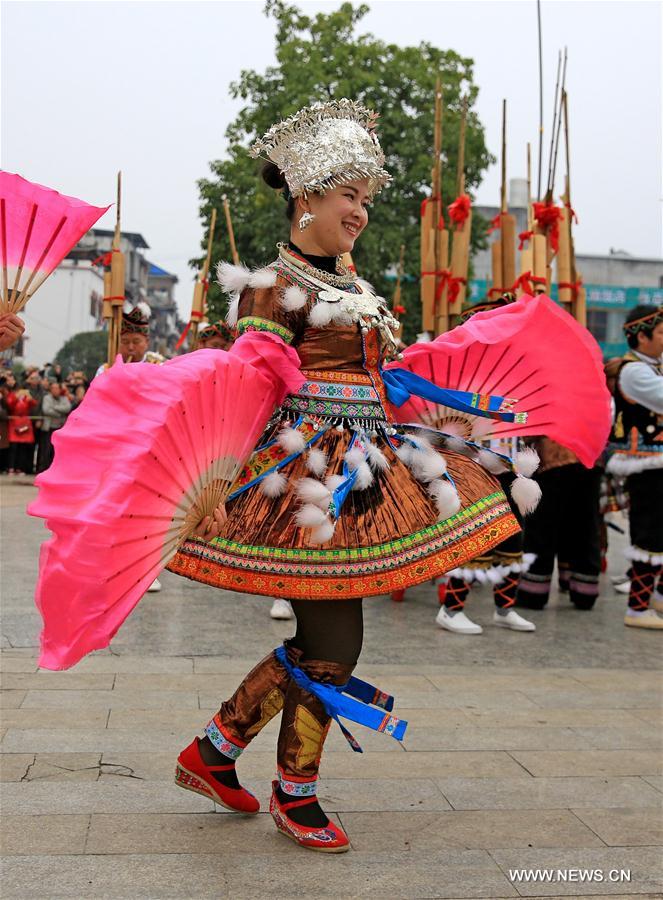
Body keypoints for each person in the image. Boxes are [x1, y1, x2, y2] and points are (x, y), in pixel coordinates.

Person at [167, 100, 537, 853]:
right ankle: (291, 791)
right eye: (350, 196)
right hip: (302, 483)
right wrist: (217, 478)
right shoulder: (272, 282)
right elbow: (249, 384)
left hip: (366, 467)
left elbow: (370, 377)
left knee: (322, 638)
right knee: (334, 638)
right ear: (307, 195)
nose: (361, 212)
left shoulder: (348, 281)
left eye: (367, 199)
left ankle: (212, 752)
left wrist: (432, 401)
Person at [432, 296, 536, 635]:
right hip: (471, 467)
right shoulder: (454, 375)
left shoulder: (511, 374)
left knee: (513, 537)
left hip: (509, 465)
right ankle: (451, 609)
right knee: (474, 538)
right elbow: (443, 426)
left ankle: (505, 608)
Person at [606, 304, 663, 629]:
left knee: (660, 532)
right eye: (660, 333)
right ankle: (637, 608)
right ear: (641, 337)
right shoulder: (634, 371)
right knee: (650, 533)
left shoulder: (653, 367)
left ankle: (657, 597)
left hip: (656, 463)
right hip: (644, 465)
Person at [36, 381, 72, 473]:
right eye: (53, 388)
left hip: (60, 428)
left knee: (58, 450)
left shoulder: (64, 398)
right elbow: (46, 410)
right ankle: (44, 469)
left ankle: (57, 470)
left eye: (57, 388)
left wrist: (54, 408)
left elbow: (67, 408)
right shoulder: (46, 398)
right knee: (46, 449)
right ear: (50, 389)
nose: (55, 390)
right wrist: (60, 412)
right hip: (48, 428)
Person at [6, 386, 37, 474]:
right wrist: (16, 397)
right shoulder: (12, 395)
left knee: (22, 448)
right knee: (13, 447)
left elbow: (34, 404)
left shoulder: (26, 397)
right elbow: (10, 406)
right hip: (14, 423)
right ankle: (11, 467)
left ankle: (20, 468)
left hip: (25, 424)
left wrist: (29, 397)